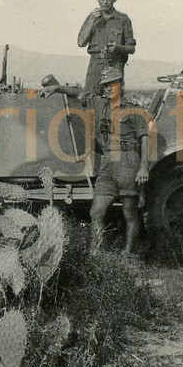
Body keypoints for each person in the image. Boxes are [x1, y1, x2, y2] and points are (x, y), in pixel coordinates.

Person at [42, 66, 151, 257]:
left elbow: (145, 138)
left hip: (128, 161)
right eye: (106, 85)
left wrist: (143, 168)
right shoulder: (99, 103)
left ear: (122, 85)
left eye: (113, 84)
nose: (109, 89)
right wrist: (57, 88)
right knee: (96, 211)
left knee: (130, 213)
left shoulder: (134, 109)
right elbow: (79, 93)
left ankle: (128, 253)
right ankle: (97, 252)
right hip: (108, 163)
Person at [76, 0, 136, 98]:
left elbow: (132, 48)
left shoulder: (123, 20)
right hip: (95, 66)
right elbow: (81, 42)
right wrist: (91, 19)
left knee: (115, 102)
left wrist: (119, 47)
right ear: (97, 0)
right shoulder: (92, 18)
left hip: (115, 64)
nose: (105, 2)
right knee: (89, 99)